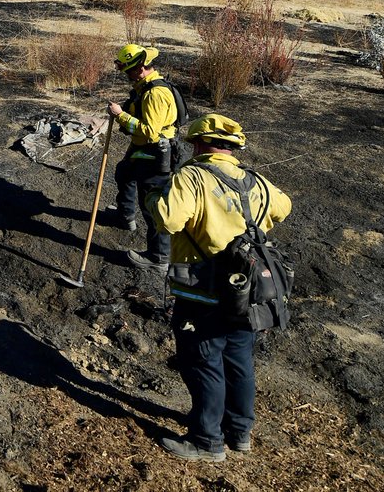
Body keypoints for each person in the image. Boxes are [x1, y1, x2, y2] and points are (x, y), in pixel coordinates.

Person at [147, 113, 292, 462]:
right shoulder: (255, 180)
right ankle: (239, 433)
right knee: (239, 359)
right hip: (246, 293)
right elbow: (283, 206)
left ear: (198, 144)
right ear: (232, 147)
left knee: (202, 360)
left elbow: (168, 219)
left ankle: (206, 441)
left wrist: (154, 197)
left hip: (202, 287)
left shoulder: (193, 176)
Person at [105, 43, 184, 270]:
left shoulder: (156, 94)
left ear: (140, 68)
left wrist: (121, 116)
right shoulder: (144, 86)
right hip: (140, 149)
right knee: (124, 173)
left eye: (128, 71)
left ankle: (159, 257)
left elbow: (150, 132)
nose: (126, 76)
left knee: (152, 205)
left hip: (155, 153)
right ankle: (125, 216)